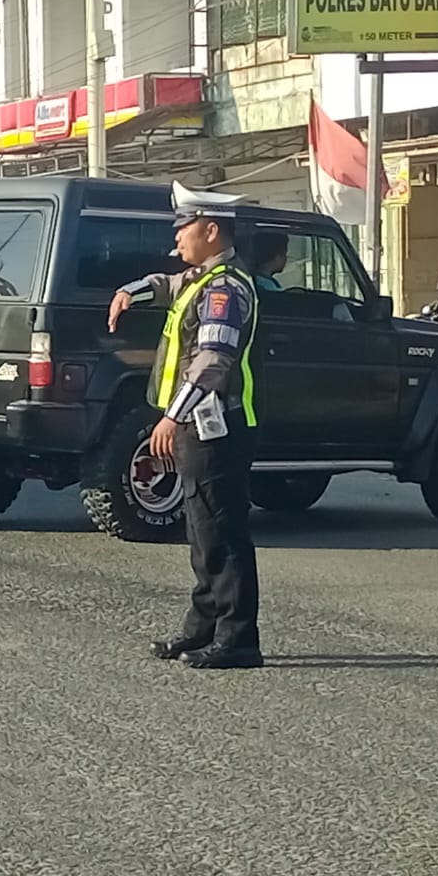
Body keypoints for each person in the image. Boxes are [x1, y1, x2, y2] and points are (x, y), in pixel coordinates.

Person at [107, 182, 263, 670]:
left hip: (216, 427)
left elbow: (214, 362)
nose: (176, 242)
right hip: (200, 426)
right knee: (201, 531)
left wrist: (173, 415)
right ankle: (203, 629)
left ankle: (238, 639)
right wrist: (128, 292)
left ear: (211, 230)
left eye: (184, 230)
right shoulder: (201, 280)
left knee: (222, 531)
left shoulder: (224, 291)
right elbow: (163, 283)